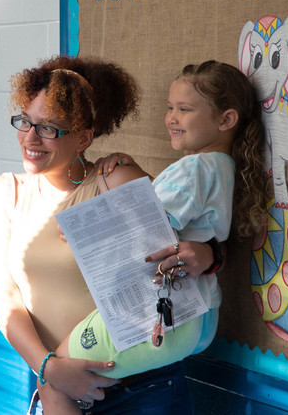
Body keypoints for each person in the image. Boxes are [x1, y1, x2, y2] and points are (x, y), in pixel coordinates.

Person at [0, 56, 220, 415]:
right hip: (58, 386)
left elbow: (182, 244)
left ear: (83, 137)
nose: (31, 137)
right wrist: (50, 369)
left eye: (48, 128)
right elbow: (4, 296)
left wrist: (212, 255)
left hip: (140, 387)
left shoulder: (113, 180)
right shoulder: (3, 194)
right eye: (25, 122)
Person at [41, 60, 268, 414]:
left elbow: (148, 223)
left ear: (226, 120)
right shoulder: (222, 169)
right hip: (197, 316)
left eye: (185, 109)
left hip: (166, 314)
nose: (172, 118)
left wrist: (92, 232)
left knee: (53, 379)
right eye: (170, 108)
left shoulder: (194, 168)